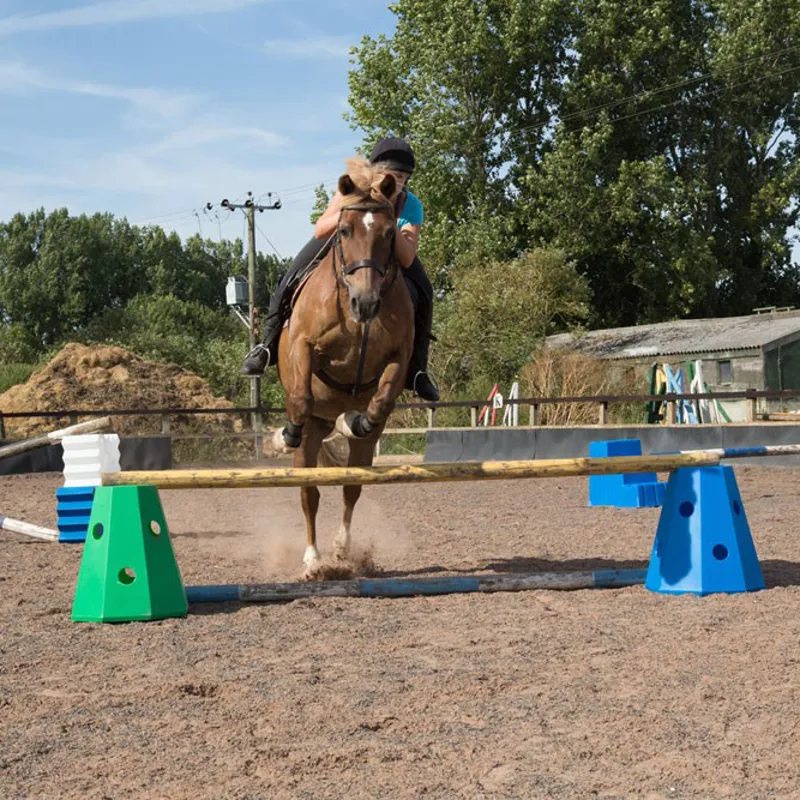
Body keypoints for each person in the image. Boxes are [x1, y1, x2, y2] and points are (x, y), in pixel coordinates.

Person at [240, 137, 439, 402]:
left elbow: (406, 258)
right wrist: (350, 210)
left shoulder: (410, 204)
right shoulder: (351, 189)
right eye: (390, 174)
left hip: (383, 254)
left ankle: (417, 370)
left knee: (425, 290)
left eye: (402, 176)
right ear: (375, 171)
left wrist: (389, 220)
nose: (396, 181)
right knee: (292, 274)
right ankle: (266, 346)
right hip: (345, 242)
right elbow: (321, 228)